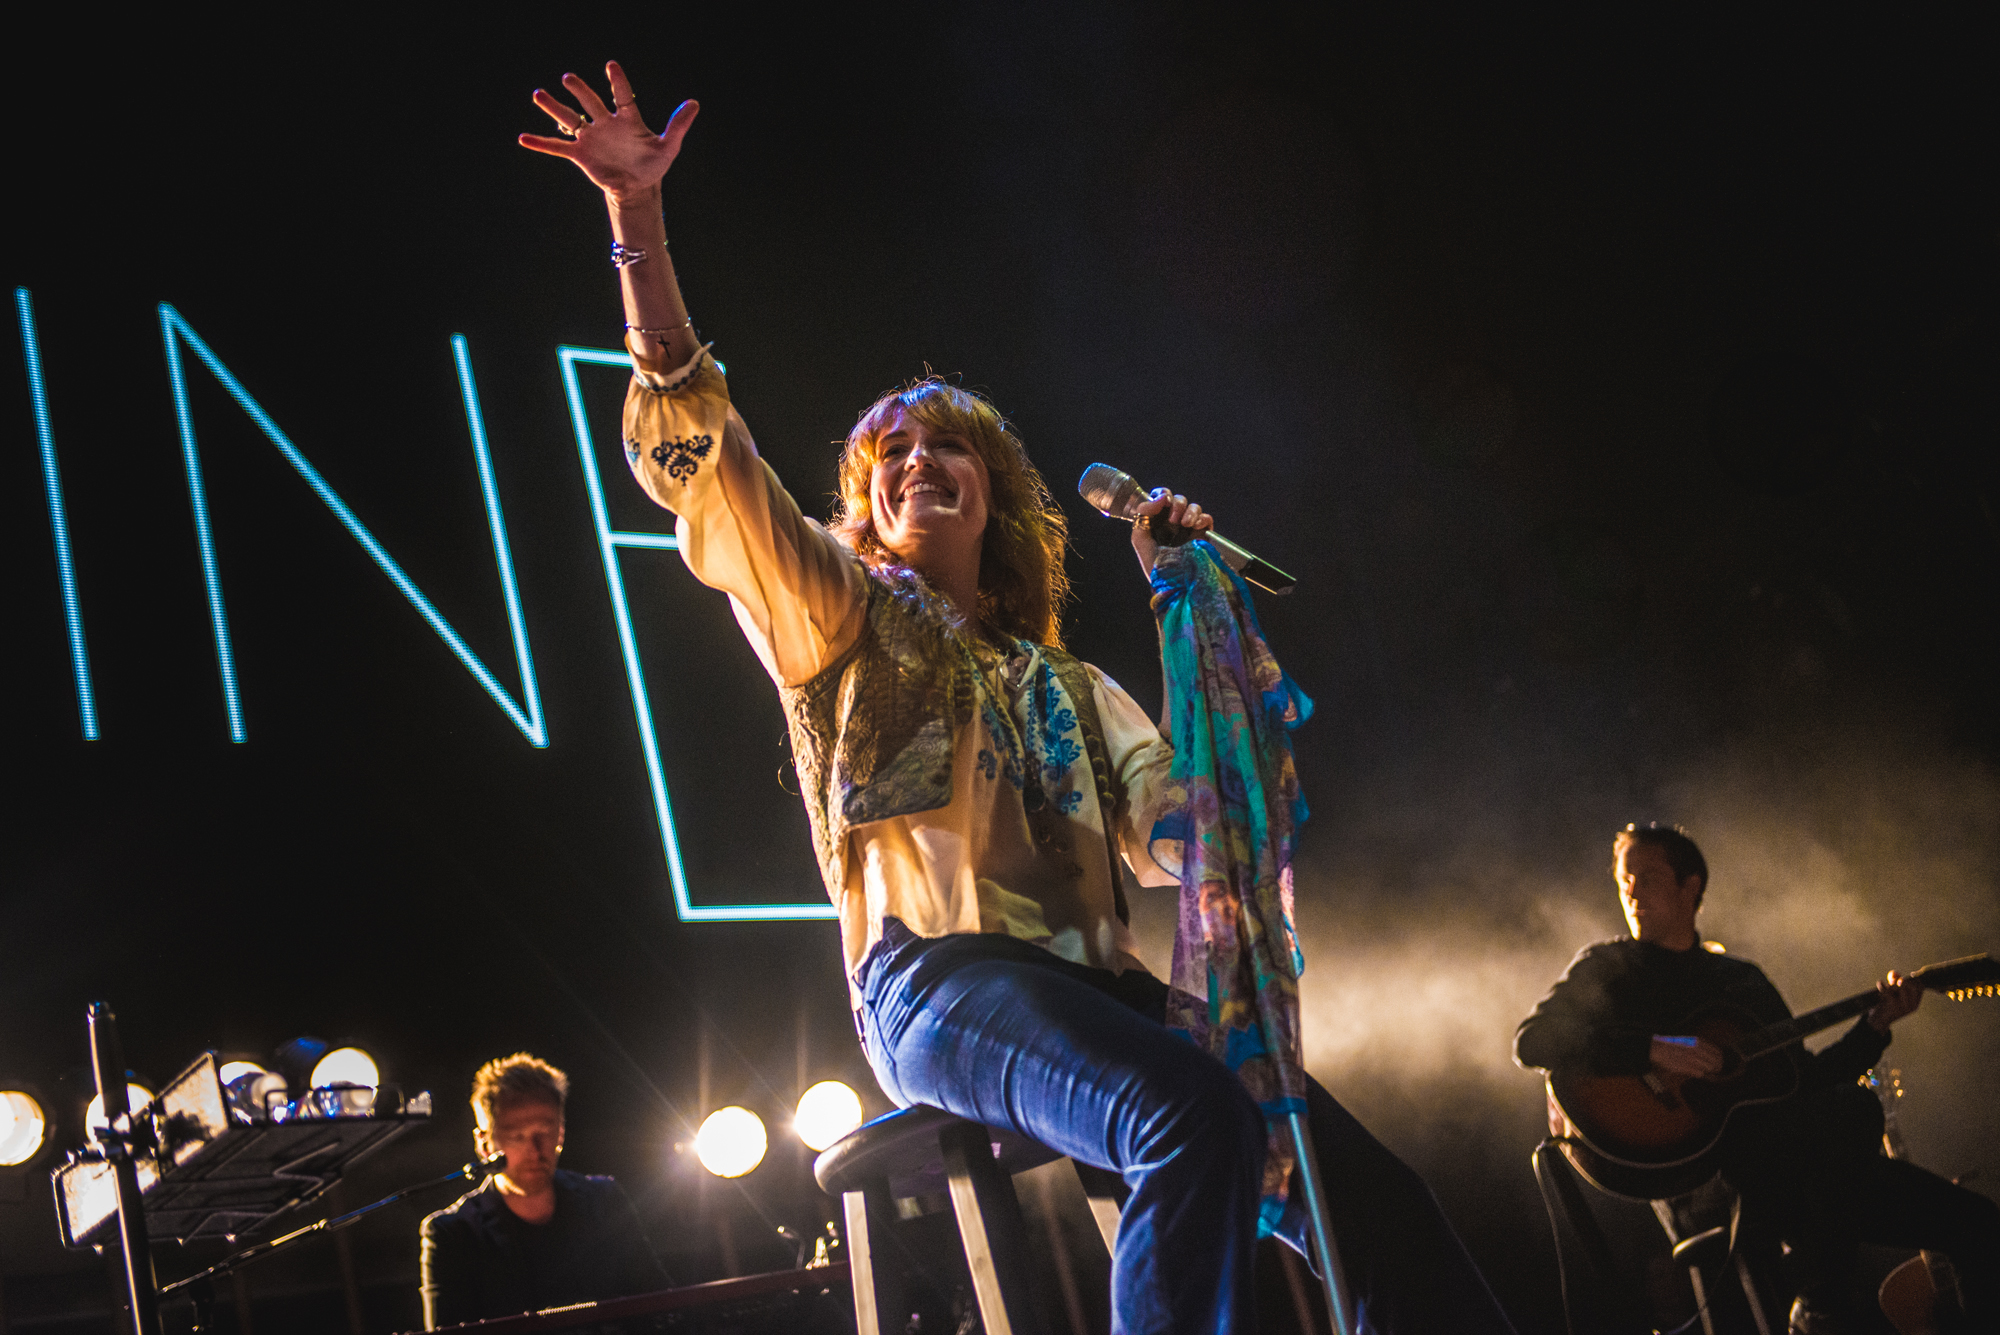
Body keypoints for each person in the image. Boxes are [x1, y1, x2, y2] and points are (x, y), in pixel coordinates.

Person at [521, 64, 1516, 1335]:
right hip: (936, 984)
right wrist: (639, 232)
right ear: (866, 503)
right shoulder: (837, 612)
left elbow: (1174, 830)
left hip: (1095, 991)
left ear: (993, 494)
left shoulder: (1069, 684)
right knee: (1186, 1114)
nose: (921, 463)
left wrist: (1186, 610)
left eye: (950, 448)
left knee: (1356, 1185)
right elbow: (710, 466)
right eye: (892, 454)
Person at [1515, 823, 2000, 1331]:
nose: (1630, 889)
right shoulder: (1610, 967)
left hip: (1802, 1168)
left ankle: (1820, 1301)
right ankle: (1821, 1299)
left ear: (1691, 886)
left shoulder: (1741, 981)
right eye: (1623, 878)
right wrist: (1652, 1050)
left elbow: (1802, 1080)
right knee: (1850, 1116)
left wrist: (1874, 1027)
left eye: (1648, 876)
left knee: (1977, 1220)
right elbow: (1533, 1041)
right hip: (1711, 1179)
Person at [419, 1053, 670, 1329]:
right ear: (485, 1143)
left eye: (546, 1131)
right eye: (517, 1136)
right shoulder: (451, 1234)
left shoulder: (605, 1200)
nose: (535, 1150)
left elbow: (663, 1307)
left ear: (561, 1132)